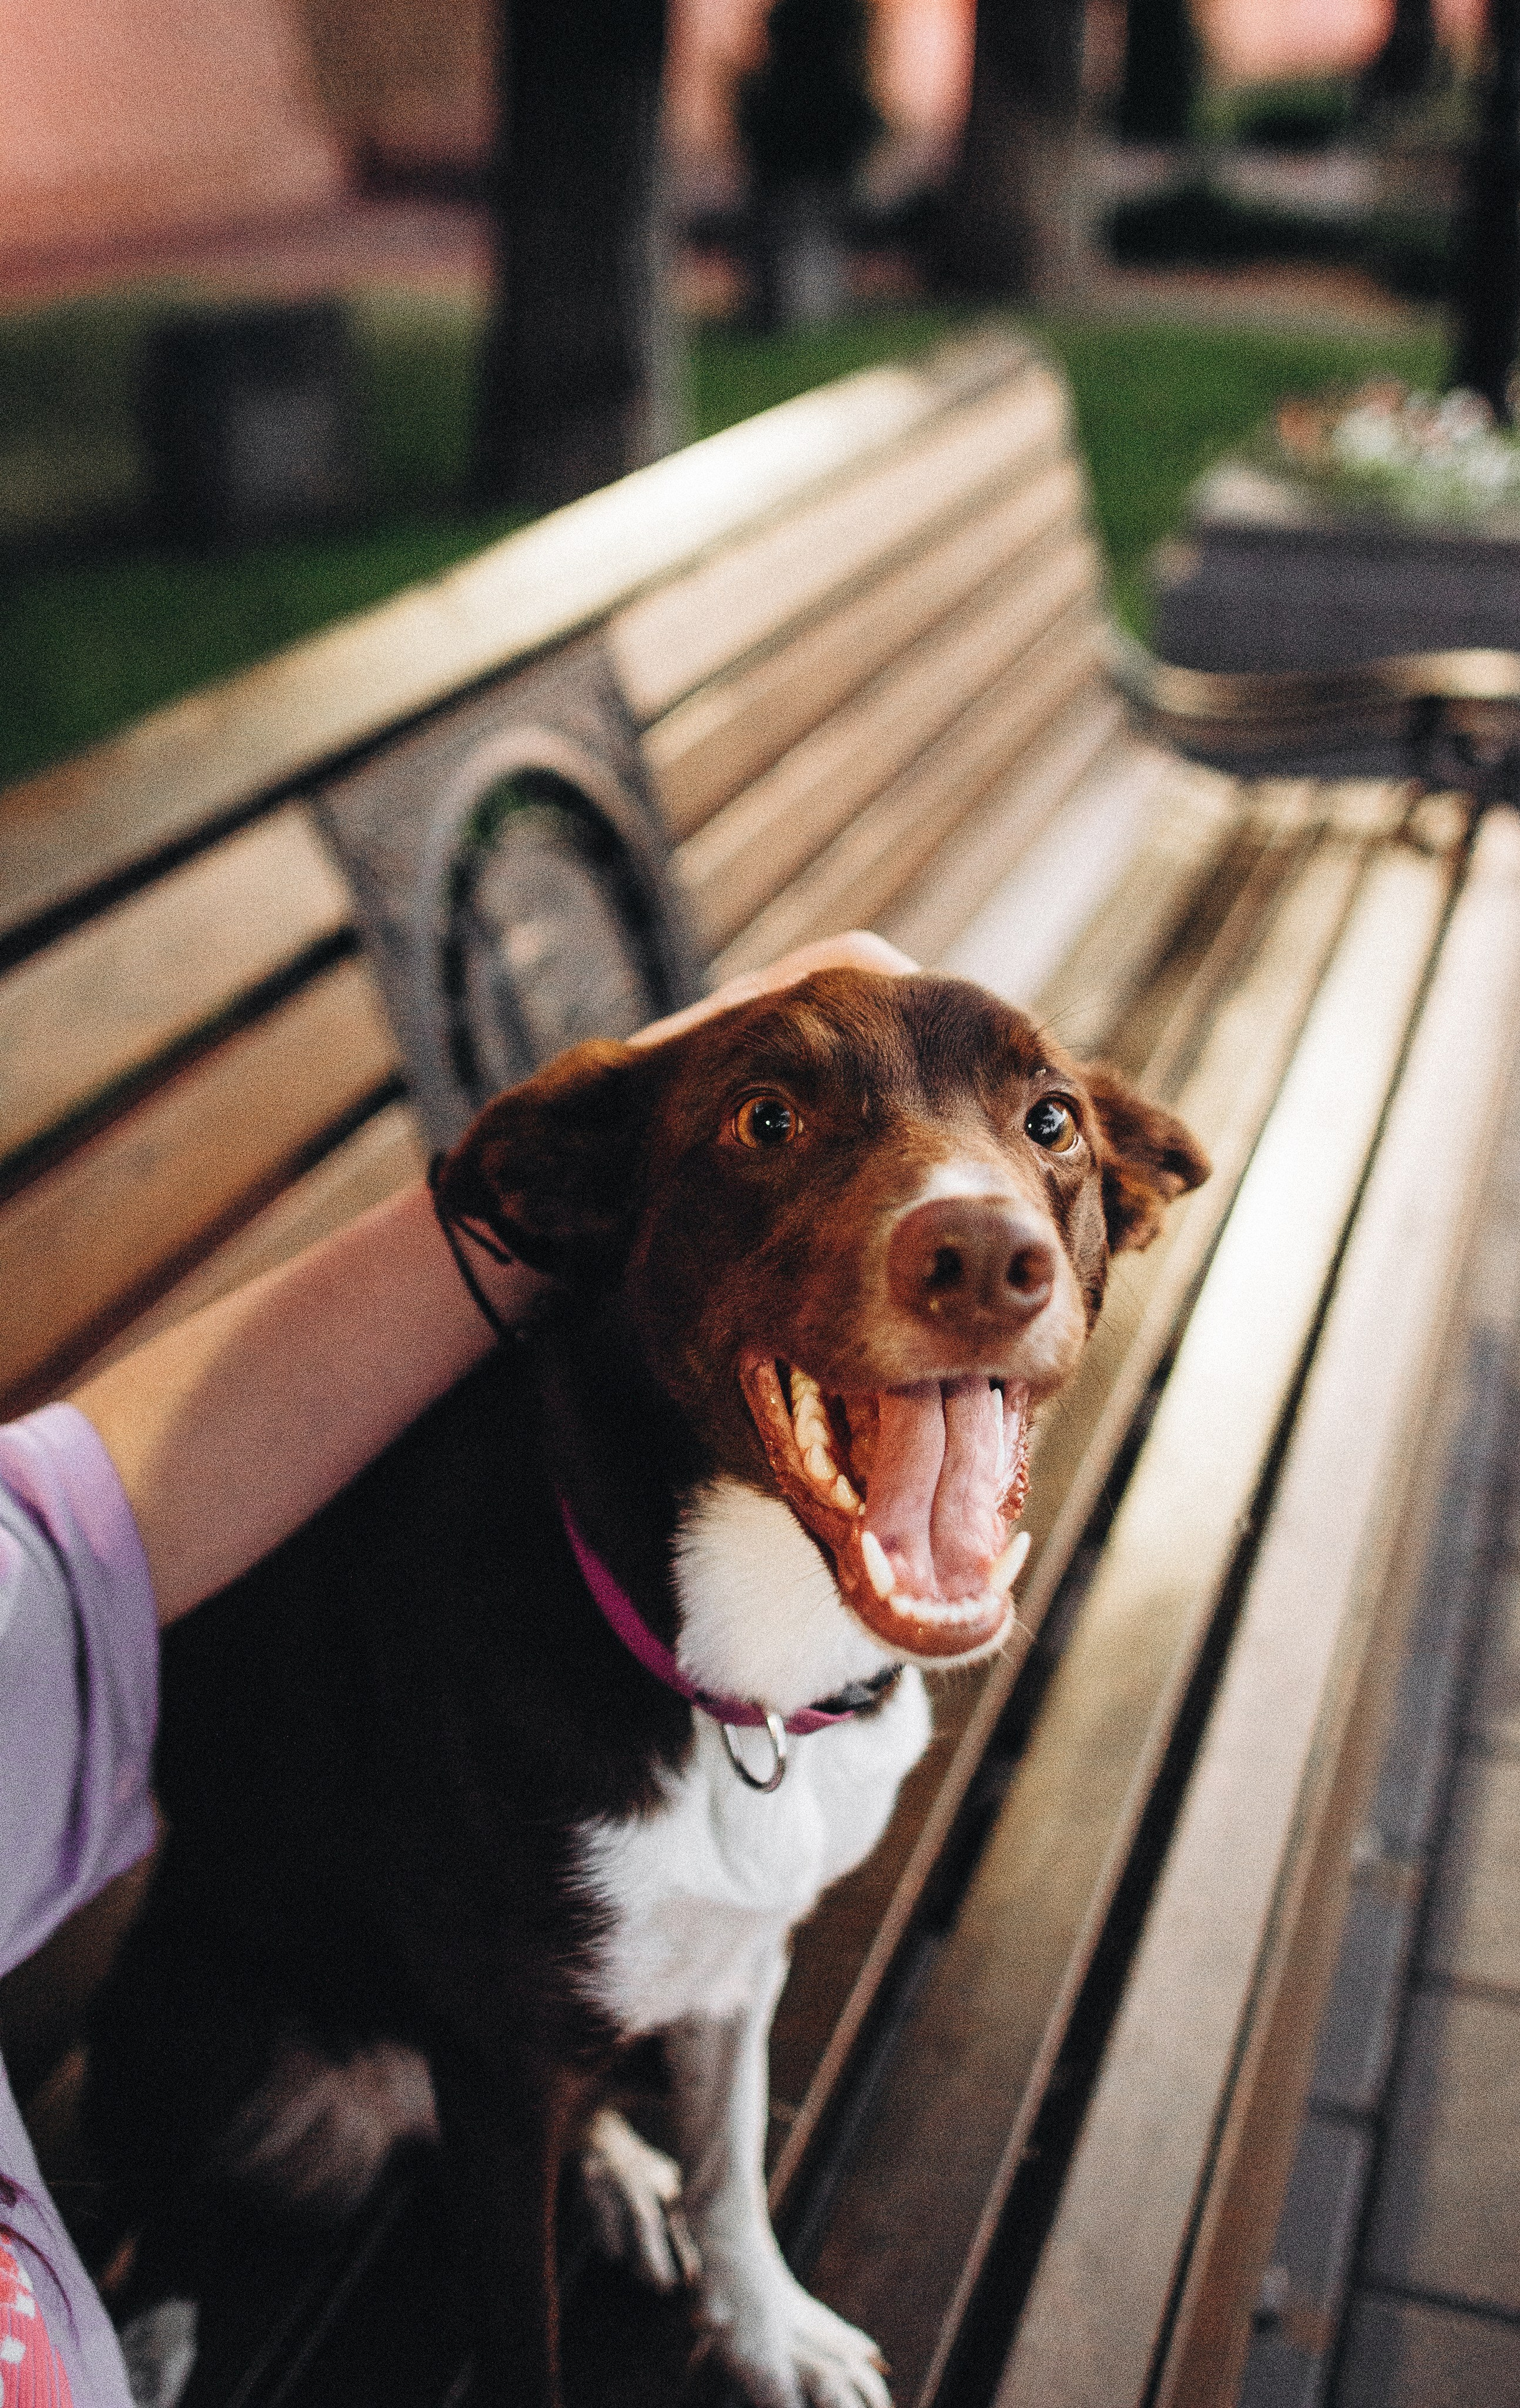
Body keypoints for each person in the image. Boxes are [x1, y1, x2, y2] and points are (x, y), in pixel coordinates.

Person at [0, 933, 913, 2407]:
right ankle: (175, 2262)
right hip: (324, 1987)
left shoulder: (36, 1597)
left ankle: (609, 2141)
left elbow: (72, 1530)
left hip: (517, 1951)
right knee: (269, 2142)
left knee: (654, 1977)